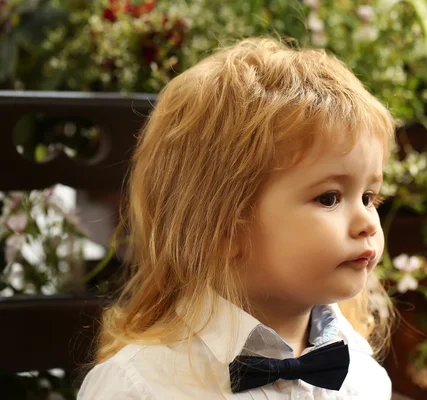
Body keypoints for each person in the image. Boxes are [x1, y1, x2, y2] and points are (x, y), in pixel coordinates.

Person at [78, 37, 396, 399]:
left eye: (369, 197)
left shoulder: (364, 378)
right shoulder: (139, 387)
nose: (368, 223)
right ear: (222, 228)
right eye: (329, 198)